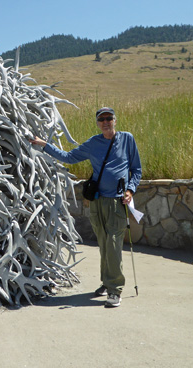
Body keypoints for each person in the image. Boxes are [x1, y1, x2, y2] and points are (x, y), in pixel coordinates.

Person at [30, 107, 142, 308]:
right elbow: (69, 157)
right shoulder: (93, 143)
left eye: (109, 118)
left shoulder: (127, 139)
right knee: (103, 243)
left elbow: (136, 169)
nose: (106, 122)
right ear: (98, 123)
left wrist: (130, 190)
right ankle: (106, 282)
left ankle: (115, 290)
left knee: (114, 244)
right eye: (102, 119)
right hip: (97, 202)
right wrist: (45, 145)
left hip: (117, 202)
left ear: (115, 120)